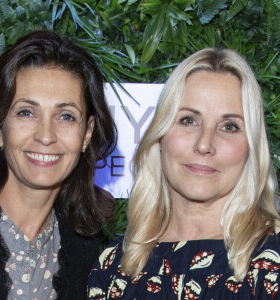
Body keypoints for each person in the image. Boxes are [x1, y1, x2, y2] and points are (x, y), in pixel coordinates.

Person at [87, 48, 280, 299]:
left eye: (229, 126)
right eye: (189, 120)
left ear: (251, 148)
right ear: (160, 135)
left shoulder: (271, 266)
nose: (204, 144)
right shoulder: (114, 265)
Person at [0, 30, 116, 299]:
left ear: (86, 134)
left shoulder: (88, 255)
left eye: (65, 116)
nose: (45, 135)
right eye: (26, 112)